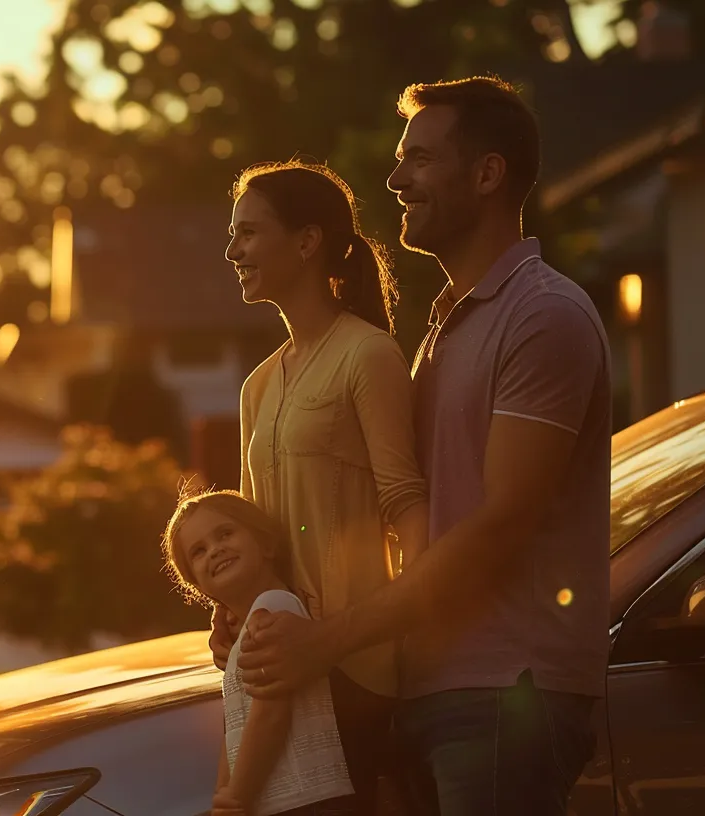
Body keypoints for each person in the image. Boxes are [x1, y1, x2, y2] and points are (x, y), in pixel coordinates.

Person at [232, 77, 613, 816]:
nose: (395, 178)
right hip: (434, 684)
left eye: (419, 159)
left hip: (508, 690)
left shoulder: (543, 315)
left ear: (487, 174)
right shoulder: (442, 332)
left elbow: (499, 526)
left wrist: (330, 639)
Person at [214, 159, 431, 815]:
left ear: (307, 242)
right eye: (233, 234)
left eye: (249, 233)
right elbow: (260, 536)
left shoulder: (368, 355)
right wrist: (227, 613)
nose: (232, 251)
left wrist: (410, 645)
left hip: (354, 672)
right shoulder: (256, 385)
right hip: (277, 666)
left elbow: (407, 506)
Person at [164, 489, 358, 816]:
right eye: (199, 551)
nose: (215, 550)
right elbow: (235, 730)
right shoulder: (245, 633)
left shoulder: (275, 610)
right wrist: (223, 795)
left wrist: (236, 796)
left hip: (308, 801)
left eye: (225, 533)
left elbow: (271, 715)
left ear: (266, 545)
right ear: (198, 585)